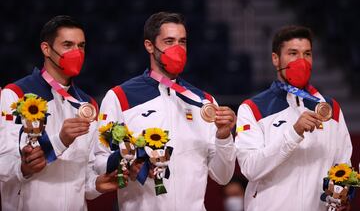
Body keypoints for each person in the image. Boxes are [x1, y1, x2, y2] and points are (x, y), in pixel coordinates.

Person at [94, 11, 237, 210]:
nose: (177, 49)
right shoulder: (120, 97)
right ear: (149, 45)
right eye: (169, 41)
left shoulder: (204, 102)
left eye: (182, 42)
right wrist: (126, 165)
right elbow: (99, 160)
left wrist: (224, 136)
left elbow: (223, 176)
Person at [0, 15, 118, 211]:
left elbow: (84, 177)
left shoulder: (87, 105)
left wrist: (97, 185)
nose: (77, 52)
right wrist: (59, 141)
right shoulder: (15, 94)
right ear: (46, 49)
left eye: (81, 46)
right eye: (68, 45)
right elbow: (4, 165)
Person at [235, 25, 353, 211]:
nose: (302, 61)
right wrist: (293, 133)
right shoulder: (253, 108)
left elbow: (343, 165)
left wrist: (342, 195)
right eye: (293, 53)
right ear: (276, 59)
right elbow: (250, 168)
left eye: (307, 54)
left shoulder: (331, 110)